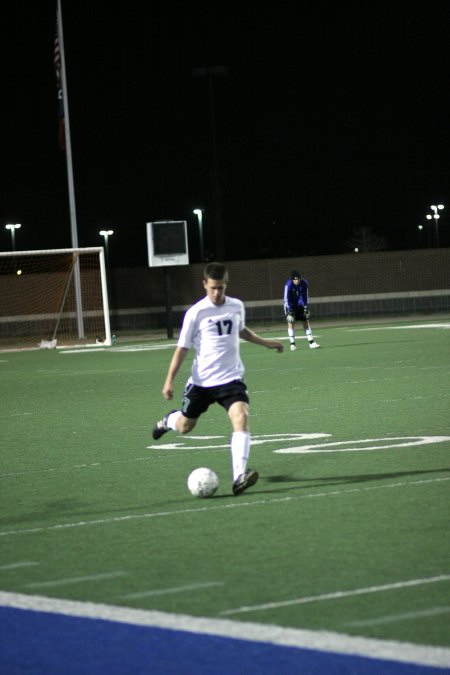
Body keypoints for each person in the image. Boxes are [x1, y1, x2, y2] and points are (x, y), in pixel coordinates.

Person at [152, 262, 284, 496]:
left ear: (226, 285)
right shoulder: (196, 313)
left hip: (231, 379)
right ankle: (168, 421)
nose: (216, 293)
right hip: (201, 383)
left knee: (241, 417)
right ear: (205, 285)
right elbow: (182, 348)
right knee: (185, 426)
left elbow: (241, 330)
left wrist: (266, 343)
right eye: (212, 288)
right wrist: (168, 380)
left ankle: (239, 477)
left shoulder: (236, 306)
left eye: (220, 288)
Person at [283, 270, 320, 351]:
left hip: (300, 304)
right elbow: (286, 298)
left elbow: (305, 296)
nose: (297, 281)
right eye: (295, 279)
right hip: (290, 304)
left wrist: (306, 306)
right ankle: (292, 344)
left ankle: (311, 342)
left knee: (305, 320)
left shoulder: (304, 283)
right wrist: (290, 310)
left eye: (298, 279)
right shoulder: (288, 285)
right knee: (291, 321)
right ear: (292, 280)